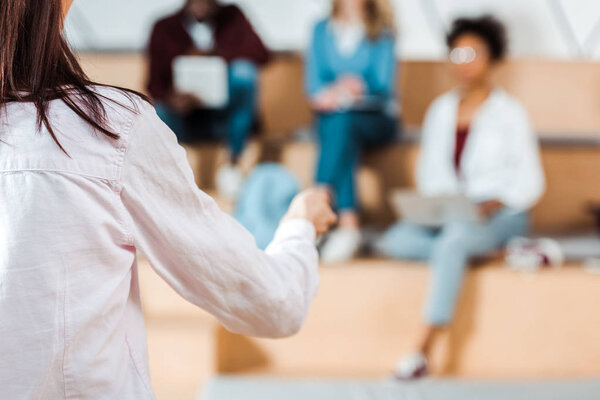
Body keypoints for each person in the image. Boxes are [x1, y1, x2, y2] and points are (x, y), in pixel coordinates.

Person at [0, 1, 337, 398]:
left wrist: (216, 60)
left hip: (223, 110)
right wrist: (299, 225)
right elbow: (270, 302)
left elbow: (258, 56)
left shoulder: (234, 21)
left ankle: (230, 159)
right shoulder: (113, 129)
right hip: (178, 117)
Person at [376, 16, 545, 379]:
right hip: (453, 214)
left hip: (503, 214)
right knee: (395, 240)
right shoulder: (440, 112)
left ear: (492, 57)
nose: (466, 60)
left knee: (452, 244)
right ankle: (505, 254)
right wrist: (440, 206)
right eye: (459, 52)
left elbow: (530, 181)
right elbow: (429, 175)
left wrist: (490, 203)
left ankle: (422, 349)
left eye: (474, 52)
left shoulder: (510, 113)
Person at [305, 0, 399, 262]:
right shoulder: (320, 30)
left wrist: (356, 87)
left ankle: (317, 204)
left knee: (340, 124)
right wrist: (335, 93)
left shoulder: (382, 30)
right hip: (336, 117)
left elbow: (382, 85)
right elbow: (313, 85)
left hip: (376, 118)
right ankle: (349, 225)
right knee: (339, 126)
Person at [147, 0, 270, 199]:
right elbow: (153, 84)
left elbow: (262, 54)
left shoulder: (233, 17)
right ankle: (166, 177)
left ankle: (232, 164)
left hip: (224, 118)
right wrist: (174, 100)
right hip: (186, 119)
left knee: (245, 73)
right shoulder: (164, 27)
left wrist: (214, 56)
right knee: (159, 110)